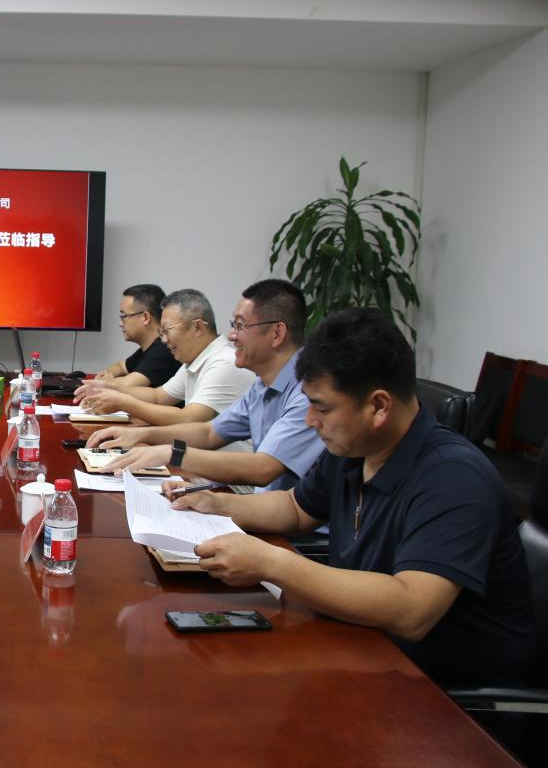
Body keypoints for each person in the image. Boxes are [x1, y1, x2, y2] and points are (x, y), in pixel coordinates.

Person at [171, 308, 534, 689]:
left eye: (321, 407)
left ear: (378, 406)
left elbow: (412, 609)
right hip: (366, 651)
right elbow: (295, 508)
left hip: (446, 696)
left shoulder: (454, 477)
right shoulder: (354, 449)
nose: (310, 421)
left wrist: (272, 563)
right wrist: (216, 504)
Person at [92, 279, 324, 491]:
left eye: (240, 326)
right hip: (250, 499)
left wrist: (173, 453)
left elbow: (263, 468)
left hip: (267, 512)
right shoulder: (261, 386)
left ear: (277, 333)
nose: (232, 335)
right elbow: (209, 432)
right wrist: (139, 435)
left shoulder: (308, 393)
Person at [76, 288, 253, 426]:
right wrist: (110, 387)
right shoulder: (195, 360)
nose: (164, 340)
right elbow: (158, 396)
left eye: (167, 331)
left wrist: (122, 402)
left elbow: (188, 419)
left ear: (198, 327)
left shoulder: (223, 363)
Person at [88, 284, 180, 388]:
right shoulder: (149, 349)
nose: (120, 323)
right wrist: (106, 374)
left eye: (124, 316)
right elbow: (120, 366)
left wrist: (106, 381)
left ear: (145, 317)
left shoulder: (164, 349)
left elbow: (126, 386)